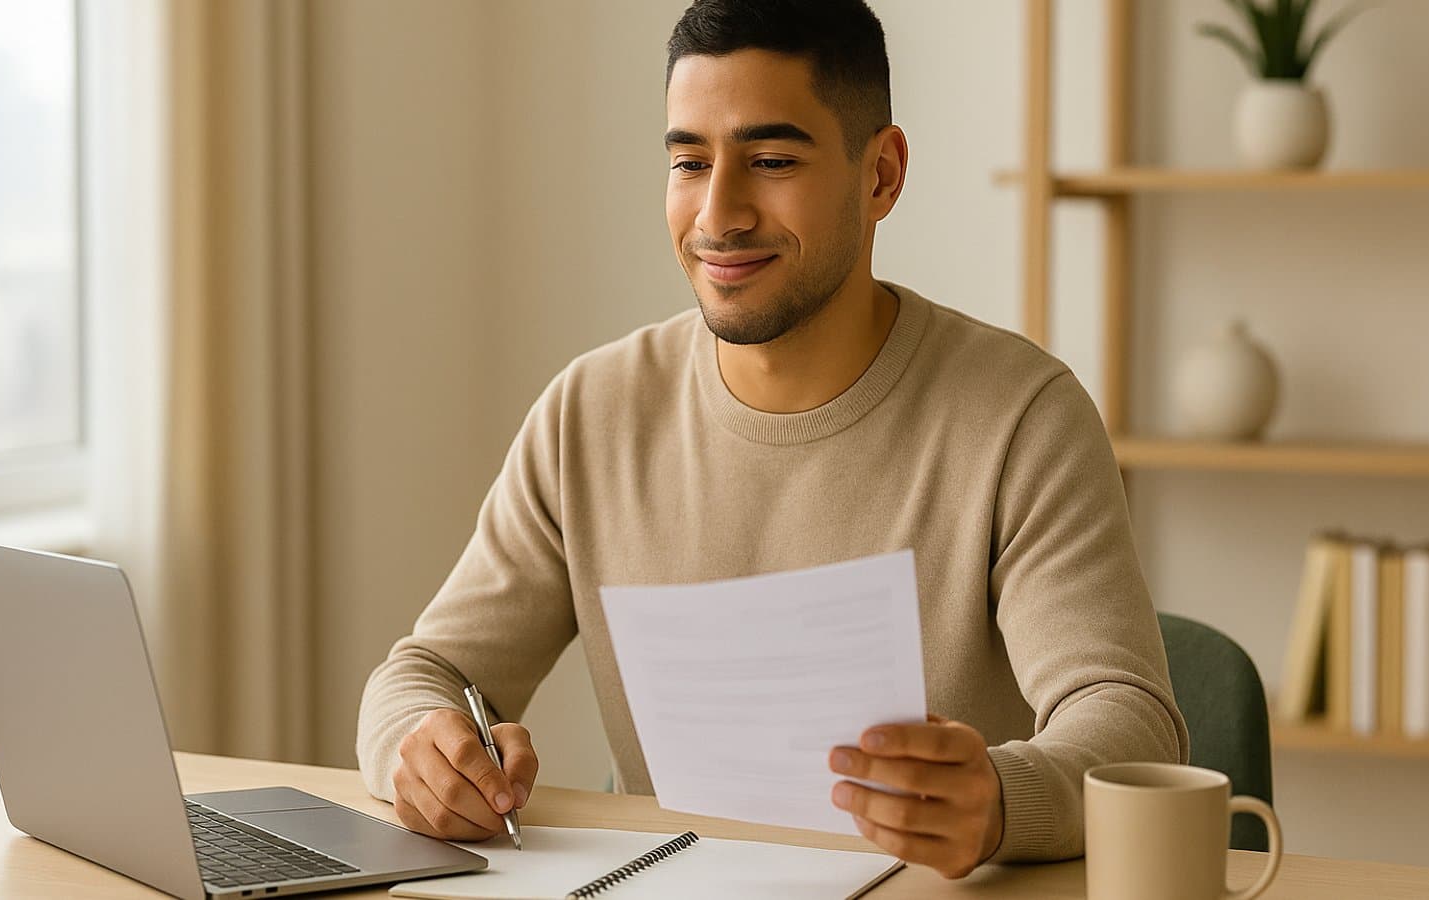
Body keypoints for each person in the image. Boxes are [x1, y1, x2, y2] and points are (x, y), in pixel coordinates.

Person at [357, 0, 1187, 880]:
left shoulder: (1022, 416)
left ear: (882, 175)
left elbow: (1129, 719)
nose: (720, 213)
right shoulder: (589, 415)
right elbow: (428, 671)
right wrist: (422, 751)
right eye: (689, 161)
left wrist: (999, 801)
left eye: (772, 160)